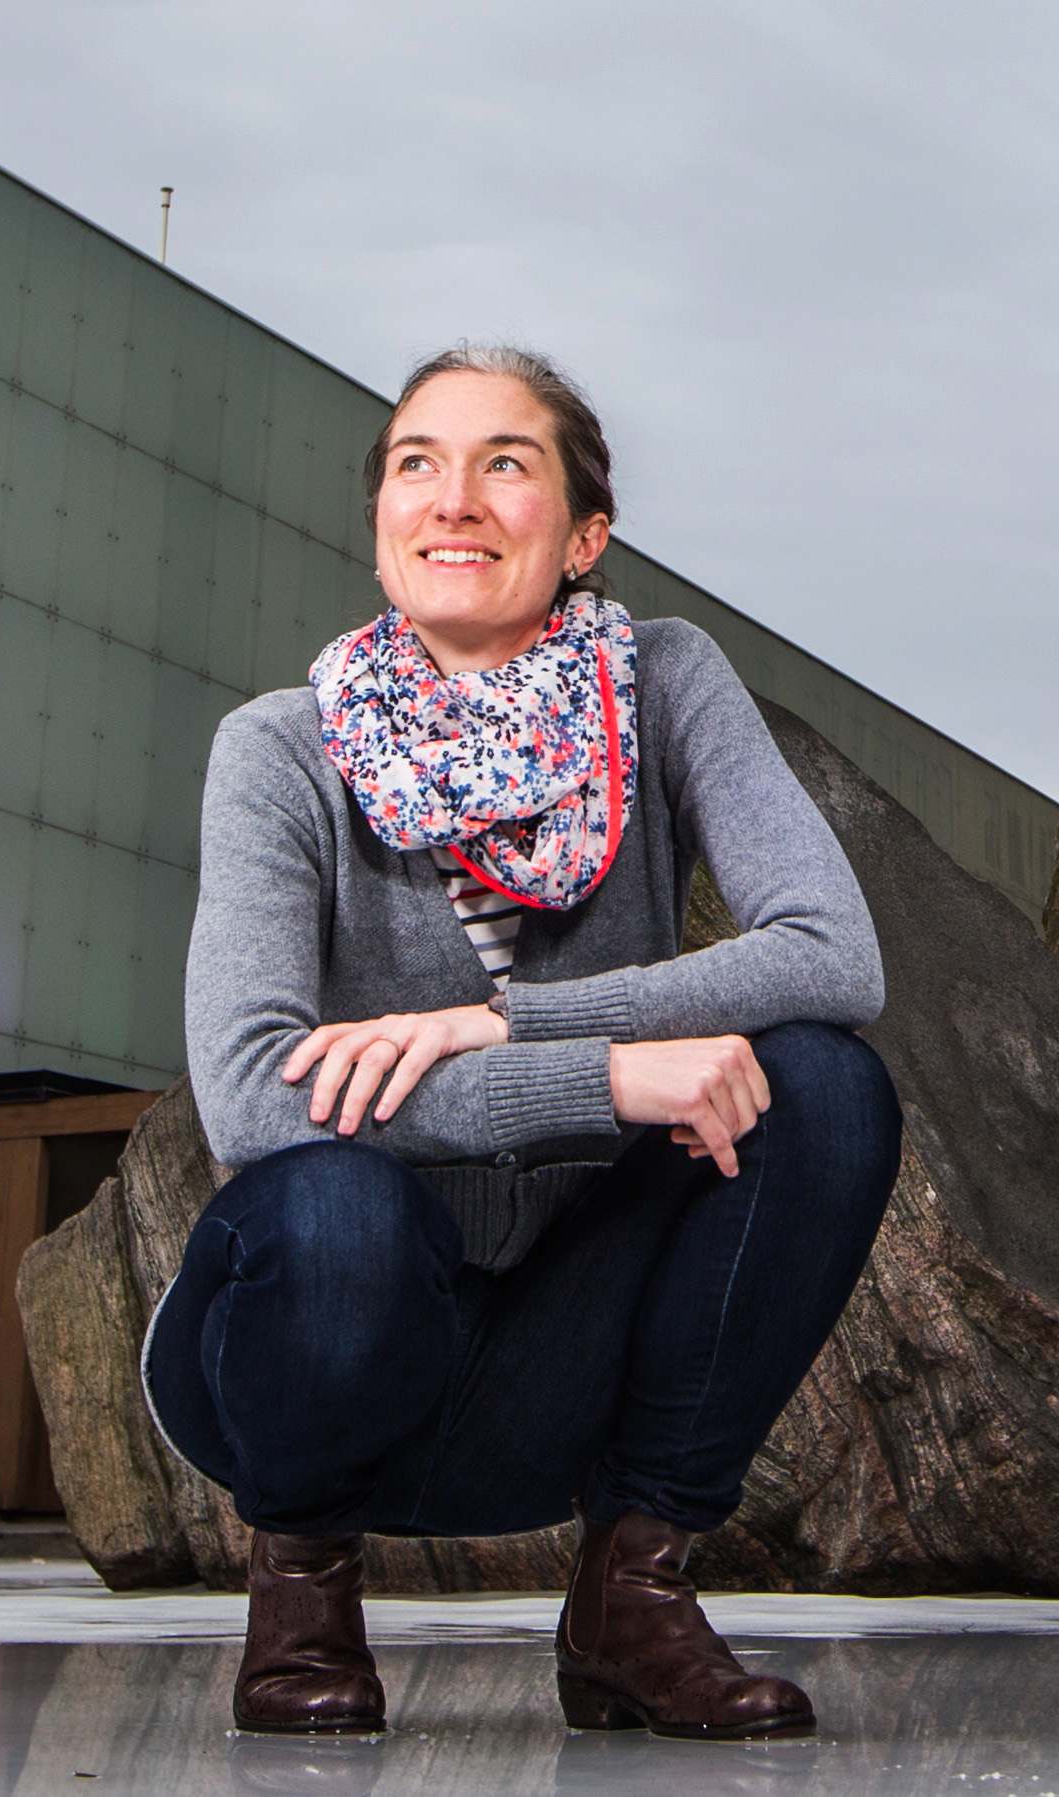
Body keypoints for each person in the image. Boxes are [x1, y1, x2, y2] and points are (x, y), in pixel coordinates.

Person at [156, 344, 896, 1742]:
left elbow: (828, 953)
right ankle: (302, 1585)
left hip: (557, 1359)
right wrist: (603, 1073)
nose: (456, 499)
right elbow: (254, 1096)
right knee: (326, 1191)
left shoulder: (665, 680)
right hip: (317, 1354)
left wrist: (510, 1018)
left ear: (582, 534)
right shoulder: (278, 749)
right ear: (379, 517)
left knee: (823, 1088)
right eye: (416, 463)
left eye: (507, 463)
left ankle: (631, 1592)